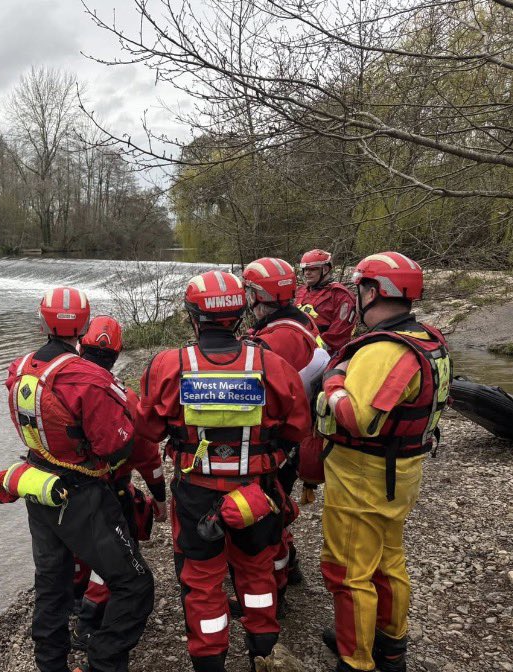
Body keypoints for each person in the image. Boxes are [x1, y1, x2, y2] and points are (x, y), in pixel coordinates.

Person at [137, 270, 310, 672]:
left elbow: (148, 428)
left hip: (197, 494)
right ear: (241, 316)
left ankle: (210, 661)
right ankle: (263, 654)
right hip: (255, 494)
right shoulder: (272, 365)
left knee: (201, 582)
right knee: (257, 574)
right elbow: (298, 425)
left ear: (193, 317)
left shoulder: (168, 365)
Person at [301, 253, 451, 672]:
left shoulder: (383, 350)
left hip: (363, 475)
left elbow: (356, 417)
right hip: (402, 470)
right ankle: (390, 643)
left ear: (372, 292)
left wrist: (332, 381)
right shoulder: (428, 338)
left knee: (348, 571)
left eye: (361, 288)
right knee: (388, 559)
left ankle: (356, 659)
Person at [3, 287, 154, 672]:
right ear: (83, 327)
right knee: (134, 585)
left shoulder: (19, 368)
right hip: (82, 493)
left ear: (42, 321)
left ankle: (51, 664)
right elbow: (115, 446)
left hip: (37, 486)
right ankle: (103, 662)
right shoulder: (88, 378)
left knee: (51, 584)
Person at [72, 315, 167, 648]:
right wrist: (159, 498)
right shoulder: (124, 398)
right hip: (108, 492)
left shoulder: (52, 387)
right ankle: (90, 614)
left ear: (80, 345)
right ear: (116, 354)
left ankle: (74, 597)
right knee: (115, 553)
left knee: (76, 547)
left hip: (63, 492)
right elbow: (148, 457)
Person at [242, 257, 330, 590]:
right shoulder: (299, 323)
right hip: (297, 433)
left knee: (266, 512)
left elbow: (254, 396)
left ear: (256, 295)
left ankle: (273, 583)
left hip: (280, 441)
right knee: (275, 505)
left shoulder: (275, 341)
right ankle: (287, 565)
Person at [296, 249, 357, 352]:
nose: (307, 273)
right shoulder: (301, 291)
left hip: (322, 355)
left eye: (313, 269)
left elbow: (339, 335)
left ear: (325, 269)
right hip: (296, 347)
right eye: (305, 269)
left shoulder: (341, 295)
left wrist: (311, 348)